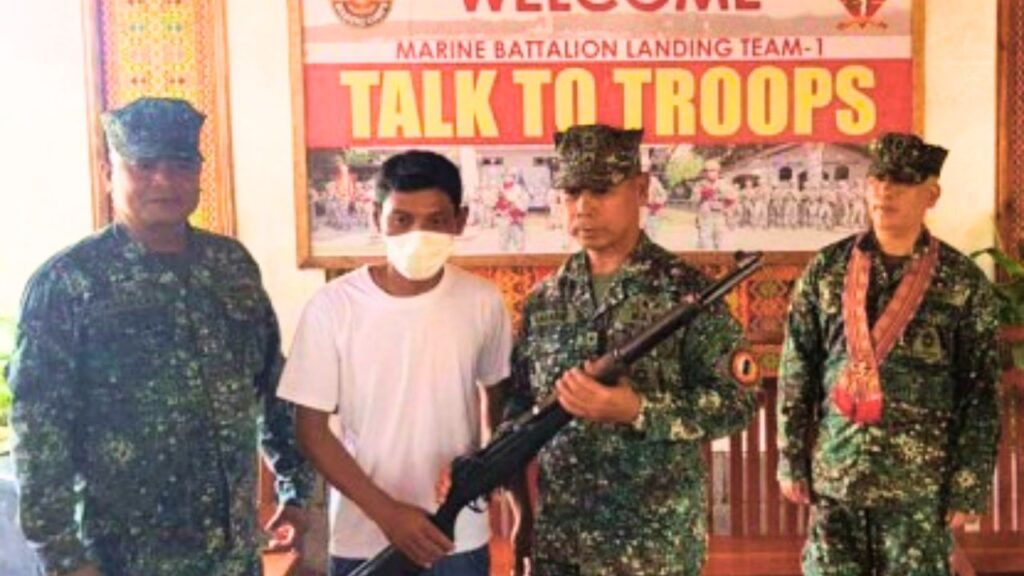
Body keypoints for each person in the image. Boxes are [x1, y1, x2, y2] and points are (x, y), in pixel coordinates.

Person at [8, 97, 307, 576]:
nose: (164, 181)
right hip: (124, 558)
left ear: (199, 172)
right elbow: (40, 431)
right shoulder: (68, 283)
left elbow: (273, 383)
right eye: (144, 166)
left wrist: (296, 488)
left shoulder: (230, 267)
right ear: (110, 172)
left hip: (232, 554)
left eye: (181, 164)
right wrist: (64, 558)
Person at [503, 124, 759, 576]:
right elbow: (520, 404)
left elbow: (736, 402)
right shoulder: (544, 300)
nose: (583, 207)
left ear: (640, 188)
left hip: (654, 549)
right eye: (571, 192)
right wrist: (505, 491)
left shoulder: (686, 294)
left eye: (601, 190)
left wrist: (637, 408)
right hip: (564, 546)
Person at [277, 150, 513, 576]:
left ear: (459, 222)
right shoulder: (333, 307)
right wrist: (387, 513)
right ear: (376, 219)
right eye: (402, 219)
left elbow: (497, 403)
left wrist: (482, 470)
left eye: (435, 221)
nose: (417, 234)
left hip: (458, 534)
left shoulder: (484, 302)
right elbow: (310, 430)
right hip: (362, 536)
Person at [776, 132, 1001, 575]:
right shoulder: (827, 270)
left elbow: (981, 394)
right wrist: (790, 460)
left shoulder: (962, 283)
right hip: (836, 482)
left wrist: (967, 487)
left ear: (931, 193)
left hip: (917, 491)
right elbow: (797, 368)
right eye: (878, 178)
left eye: (902, 180)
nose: (885, 191)